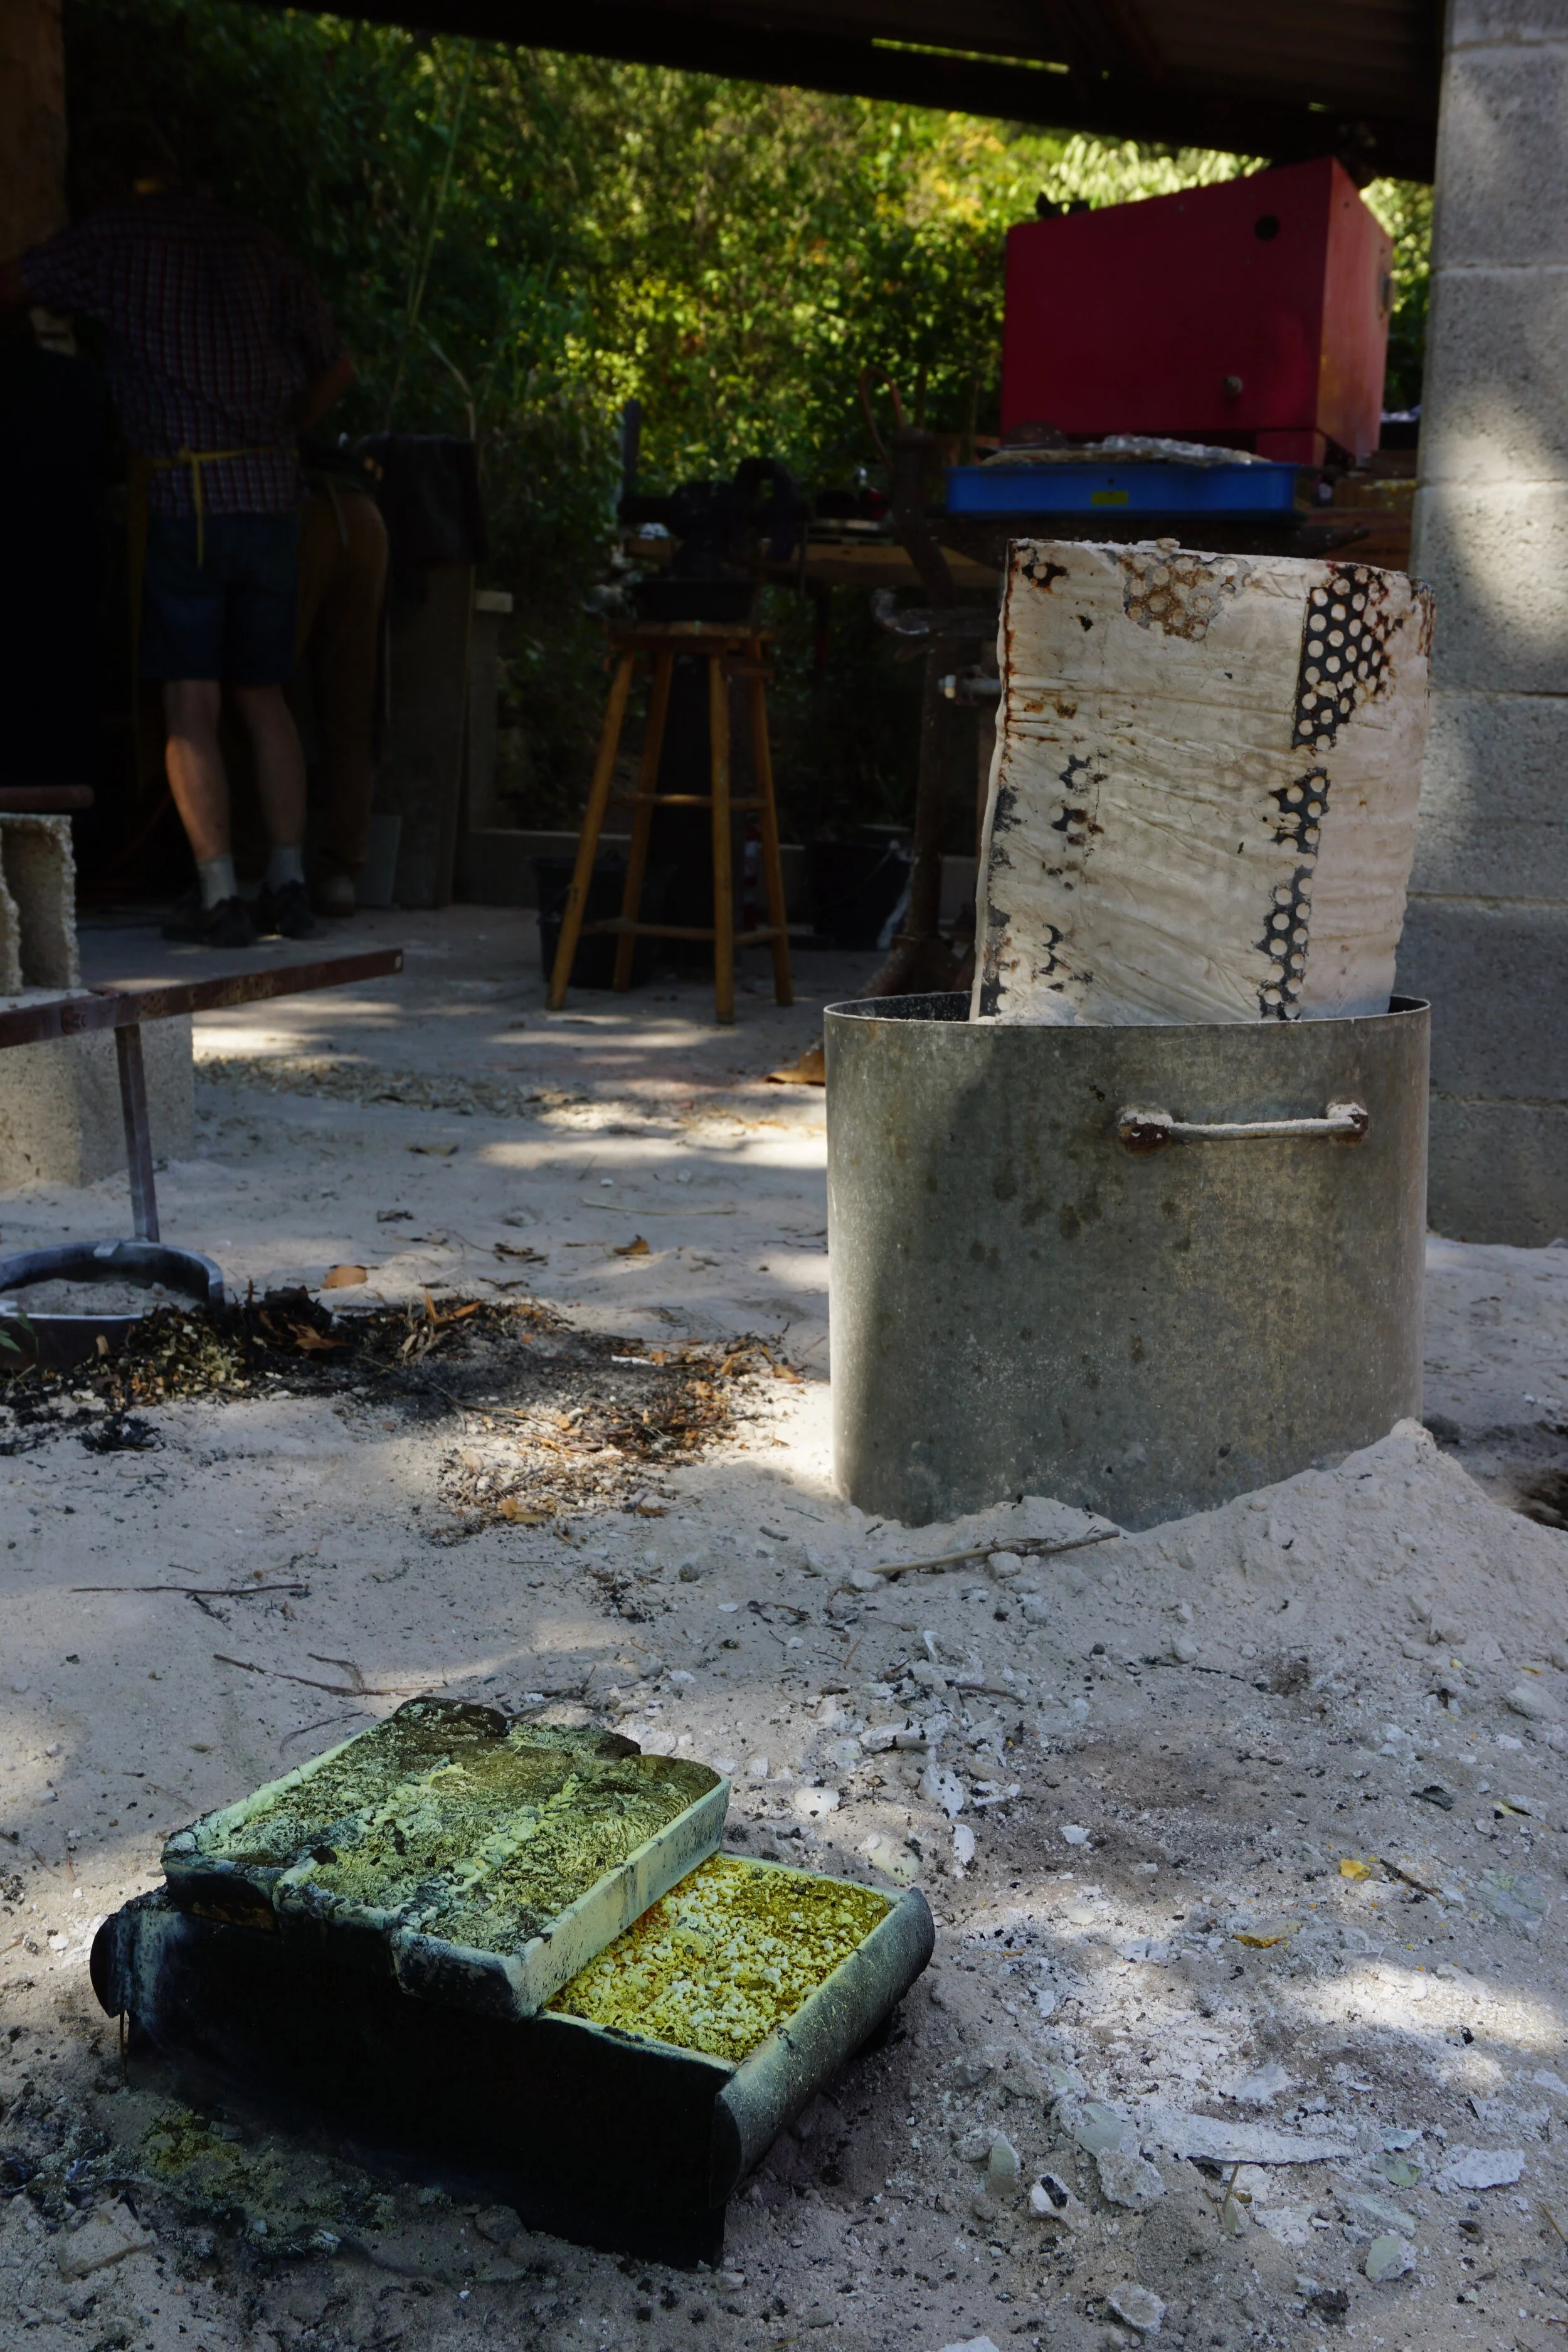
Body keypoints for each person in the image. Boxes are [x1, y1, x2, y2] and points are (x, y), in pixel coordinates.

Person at [0, 121, 354, 946]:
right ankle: (291, 884)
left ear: (106, 182)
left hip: (189, 494)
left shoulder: (115, 239)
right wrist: (284, 427)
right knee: (265, 696)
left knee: (190, 700)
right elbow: (336, 367)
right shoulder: (258, 243)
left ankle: (220, 893)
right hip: (271, 490)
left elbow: (13, 283)